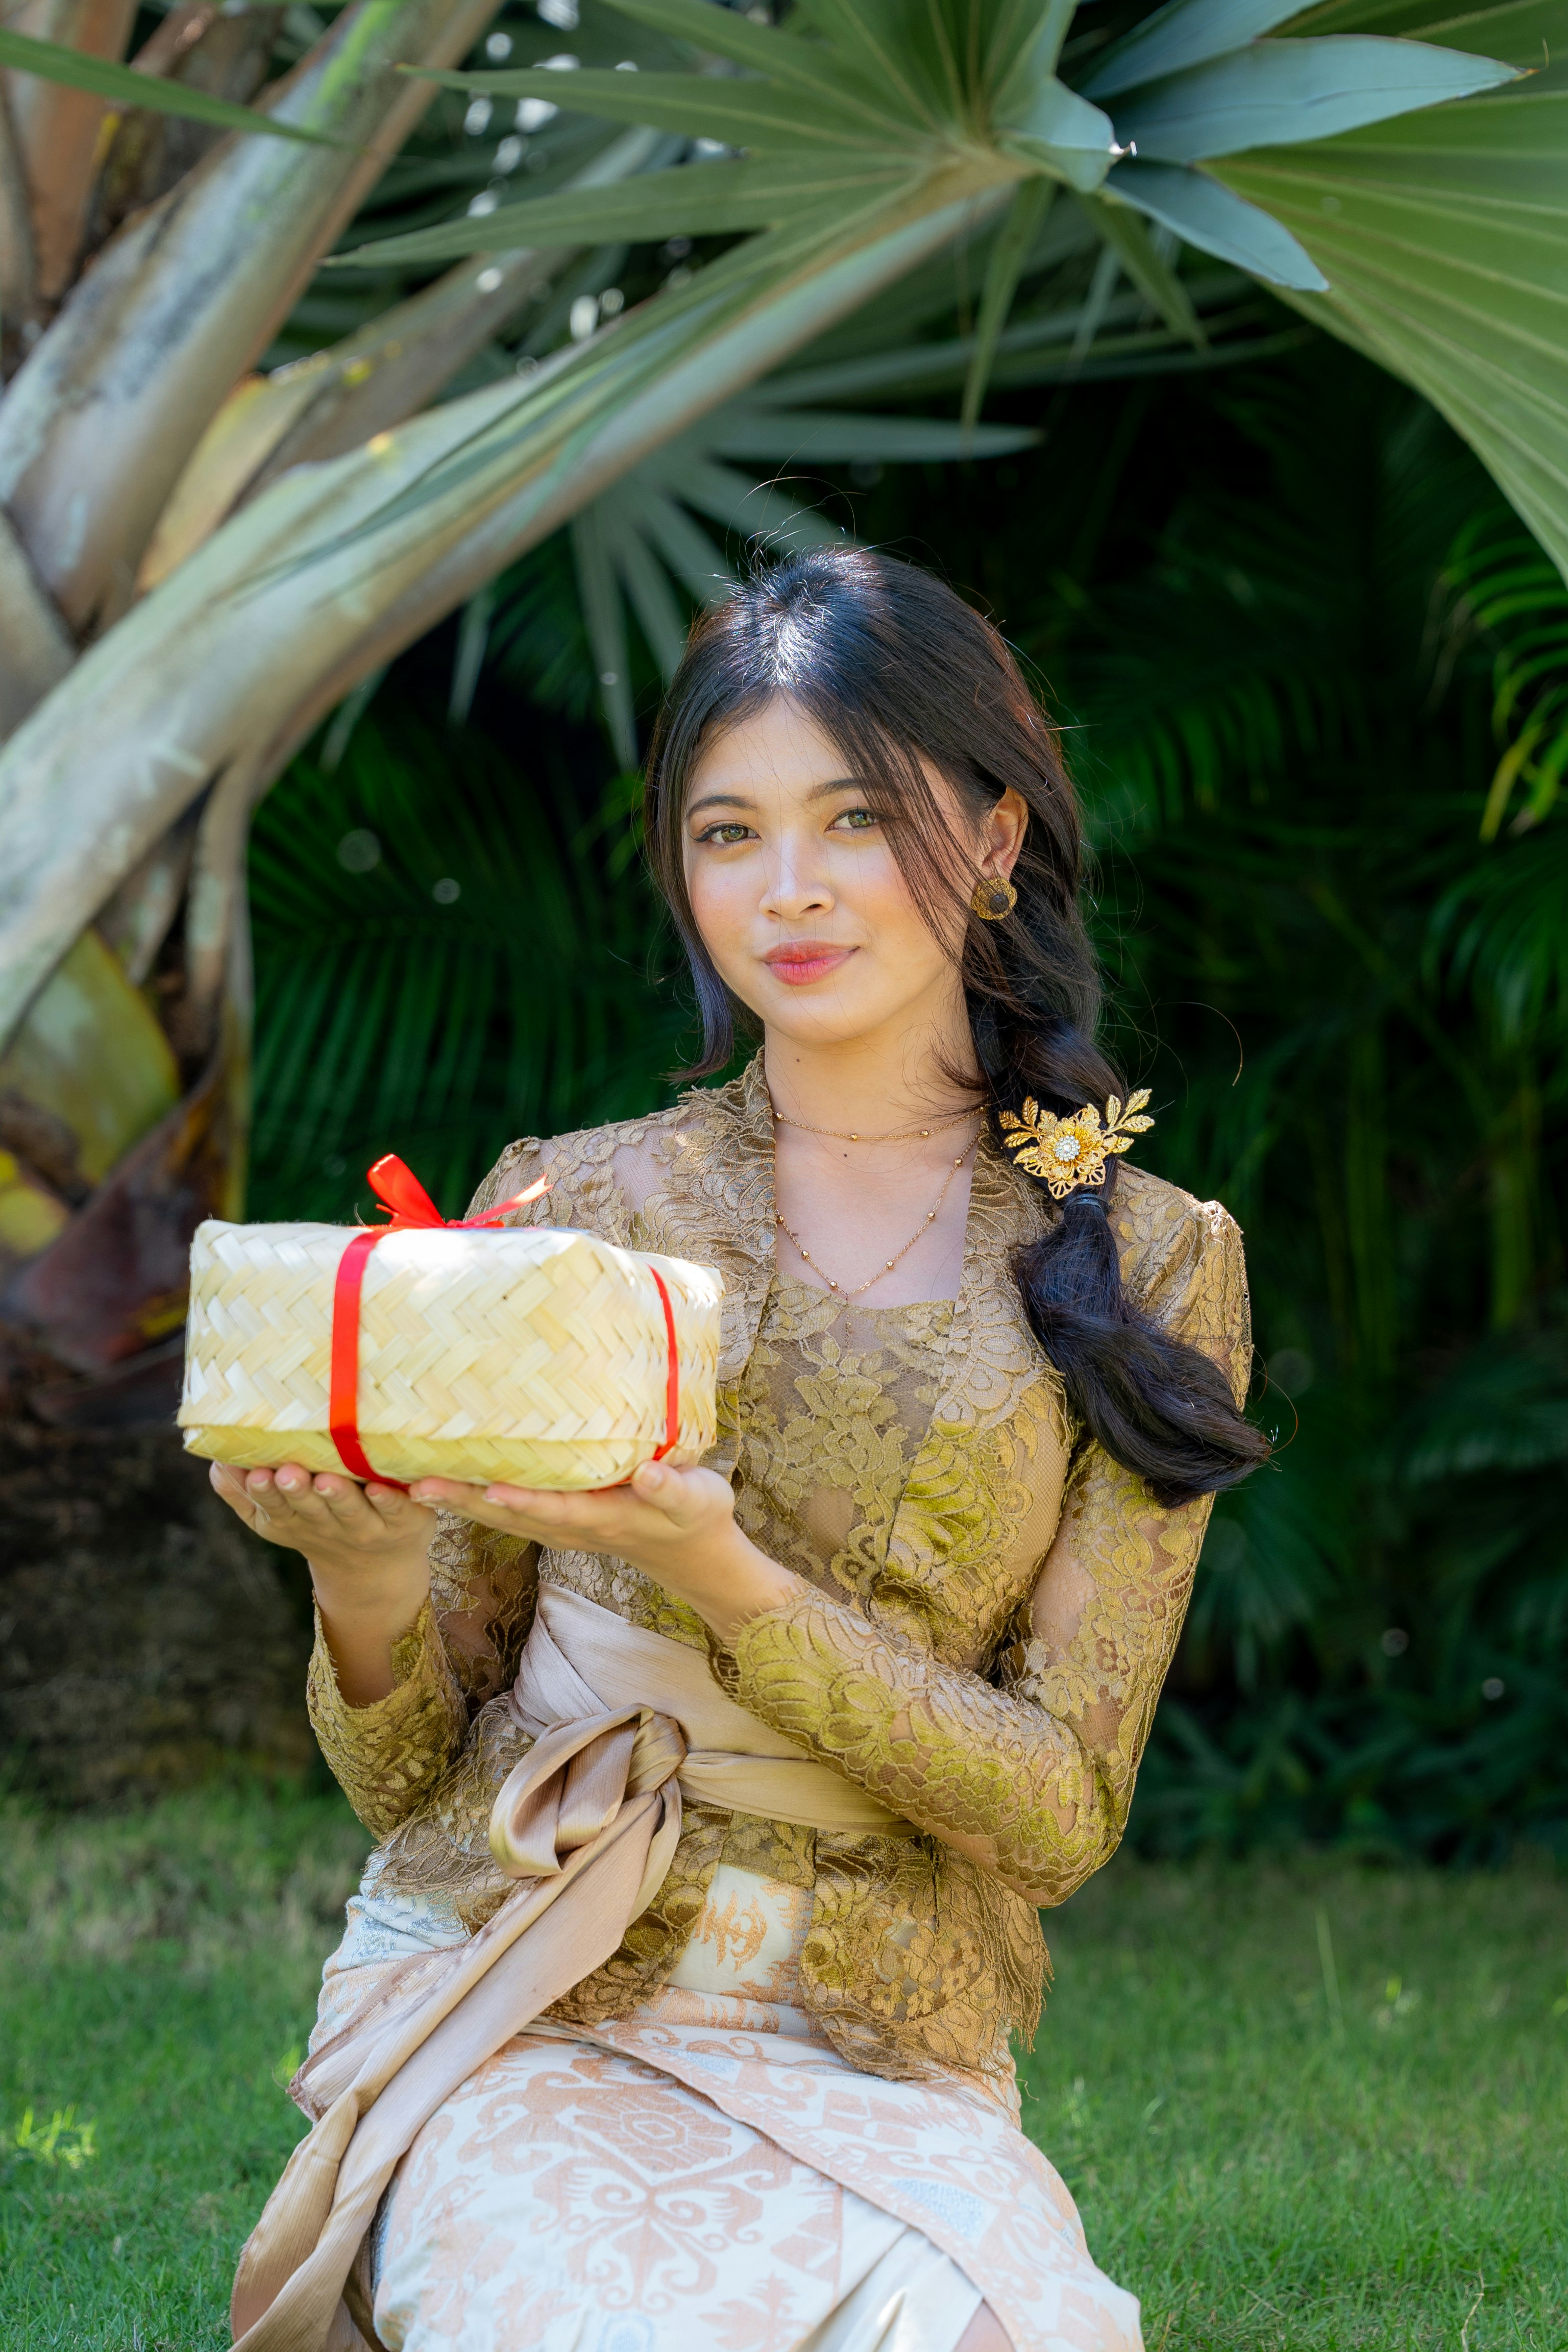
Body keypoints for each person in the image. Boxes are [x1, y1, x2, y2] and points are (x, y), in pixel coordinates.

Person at [213, 547, 1263, 2352]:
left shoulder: (1155, 1260)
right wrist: (362, 1581)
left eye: (857, 819)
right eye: (728, 833)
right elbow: (417, 1783)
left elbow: (1060, 1816)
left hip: (881, 2041)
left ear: (995, 839)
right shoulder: (568, 1210)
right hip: (527, 1988)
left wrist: (722, 1578)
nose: (790, 890)